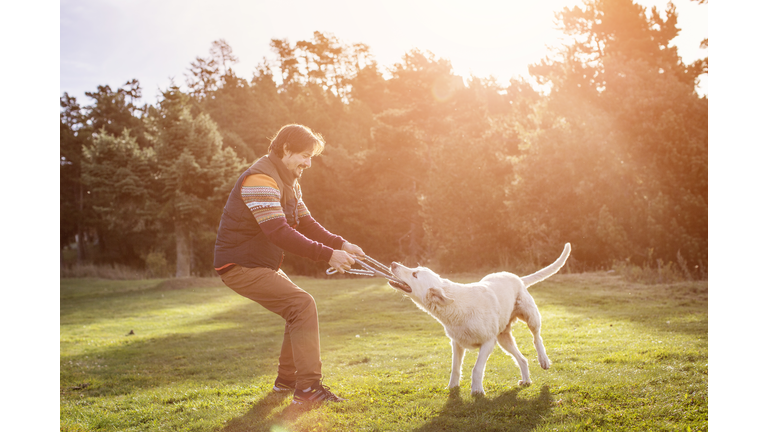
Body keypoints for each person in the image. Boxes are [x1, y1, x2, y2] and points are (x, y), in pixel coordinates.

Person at [213, 124, 363, 405]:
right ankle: (308, 389)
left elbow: (306, 223)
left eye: (311, 157)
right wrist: (328, 255)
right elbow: (278, 231)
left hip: (259, 264)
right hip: (239, 265)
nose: (308, 163)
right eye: (304, 155)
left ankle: (286, 382)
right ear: (285, 149)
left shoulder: (290, 182)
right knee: (302, 304)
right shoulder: (260, 179)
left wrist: (341, 244)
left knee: (297, 309)